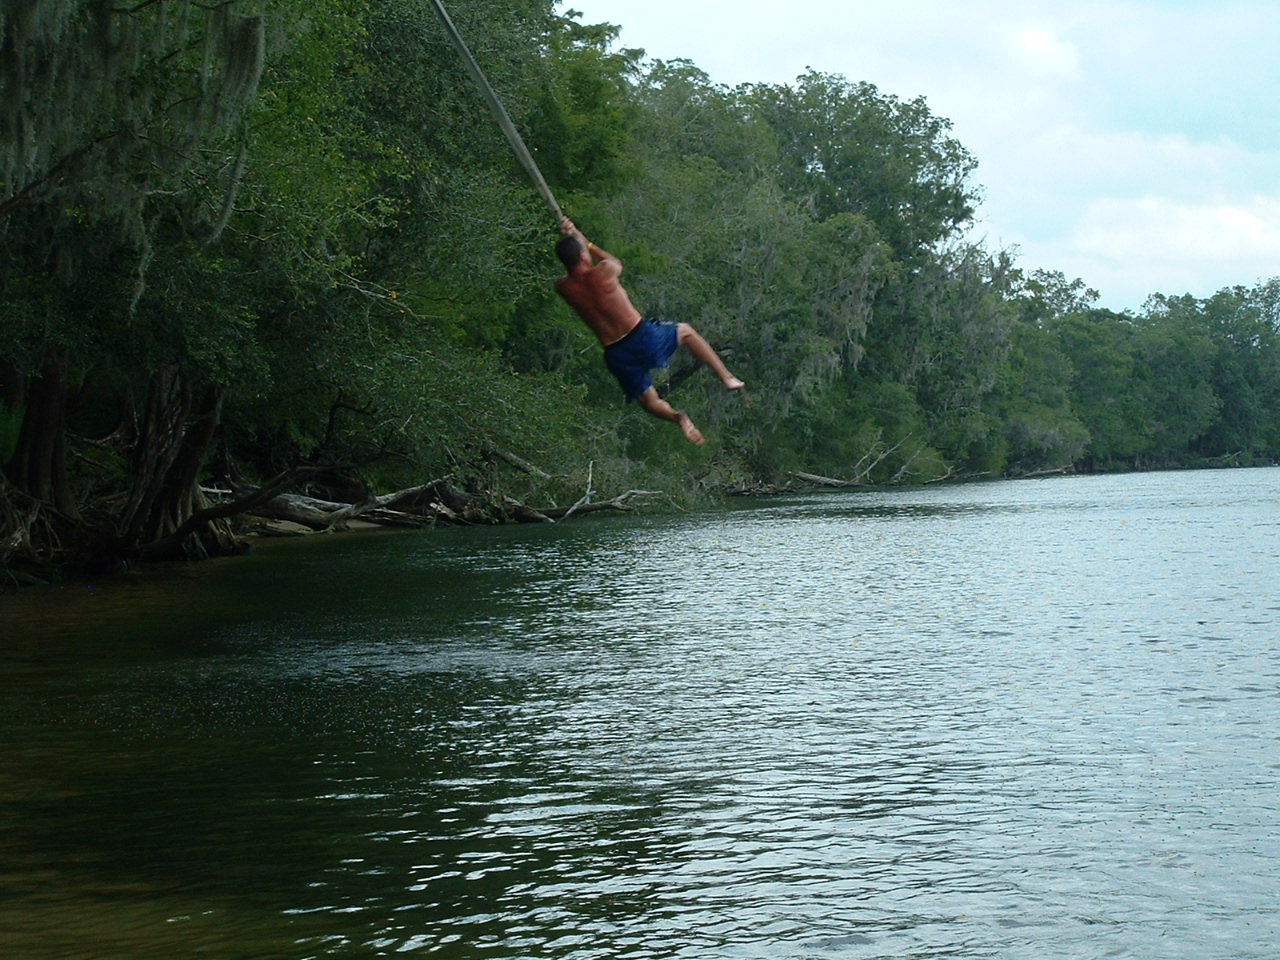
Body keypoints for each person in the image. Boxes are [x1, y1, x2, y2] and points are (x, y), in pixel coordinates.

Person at [554, 216, 744, 445]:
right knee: (686, 332)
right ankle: (727, 377)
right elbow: (613, 261)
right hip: (642, 337)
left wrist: (574, 237)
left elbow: (577, 260)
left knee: (648, 401)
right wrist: (584, 240)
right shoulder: (605, 271)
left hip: (616, 354)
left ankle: (678, 417)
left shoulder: (564, 288)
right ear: (584, 255)